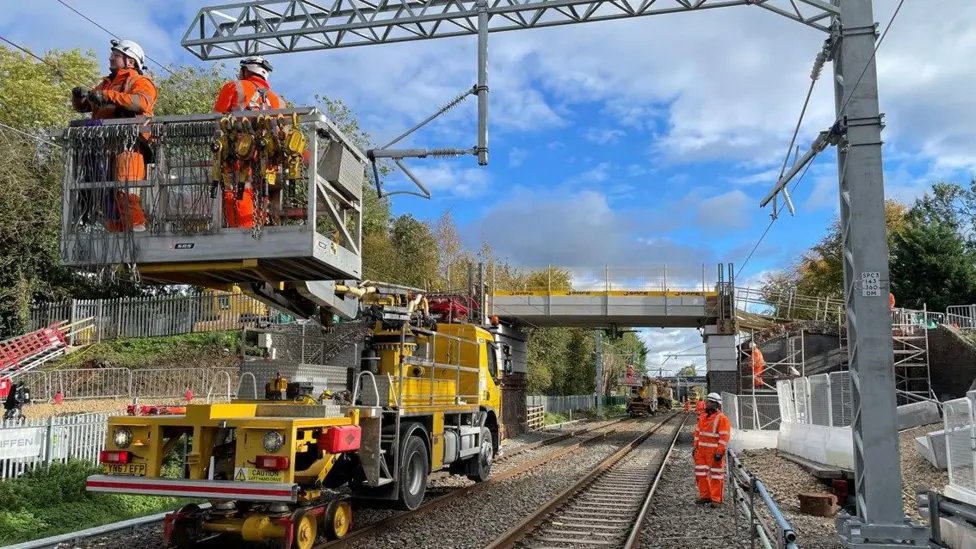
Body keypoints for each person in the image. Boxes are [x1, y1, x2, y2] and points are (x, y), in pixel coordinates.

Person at [71, 39, 157, 232]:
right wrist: (80, 97)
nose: (111, 57)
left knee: (125, 193)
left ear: (131, 61)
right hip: (104, 147)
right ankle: (116, 239)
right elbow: (85, 106)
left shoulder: (139, 81)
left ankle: (138, 234)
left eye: (116, 55)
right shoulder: (106, 83)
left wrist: (108, 96)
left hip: (129, 146)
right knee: (107, 196)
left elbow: (141, 103)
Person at [213, 56, 286, 229]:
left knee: (237, 189)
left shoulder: (235, 87)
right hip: (268, 157)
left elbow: (215, 119)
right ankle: (257, 227)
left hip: (239, 150)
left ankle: (242, 231)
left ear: (246, 70)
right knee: (261, 191)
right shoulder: (280, 101)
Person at [692, 392, 731, 508]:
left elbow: (724, 437)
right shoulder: (703, 417)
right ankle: (705, 496)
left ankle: (716, 499)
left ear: (715, 404)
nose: (706, 404)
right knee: (700, 474)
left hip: (714, 453)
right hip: (701, 452)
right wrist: (695, 447)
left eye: (708, 402)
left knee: (716, 476)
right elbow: (697, 433)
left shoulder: (722, 419)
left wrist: (719, 452)